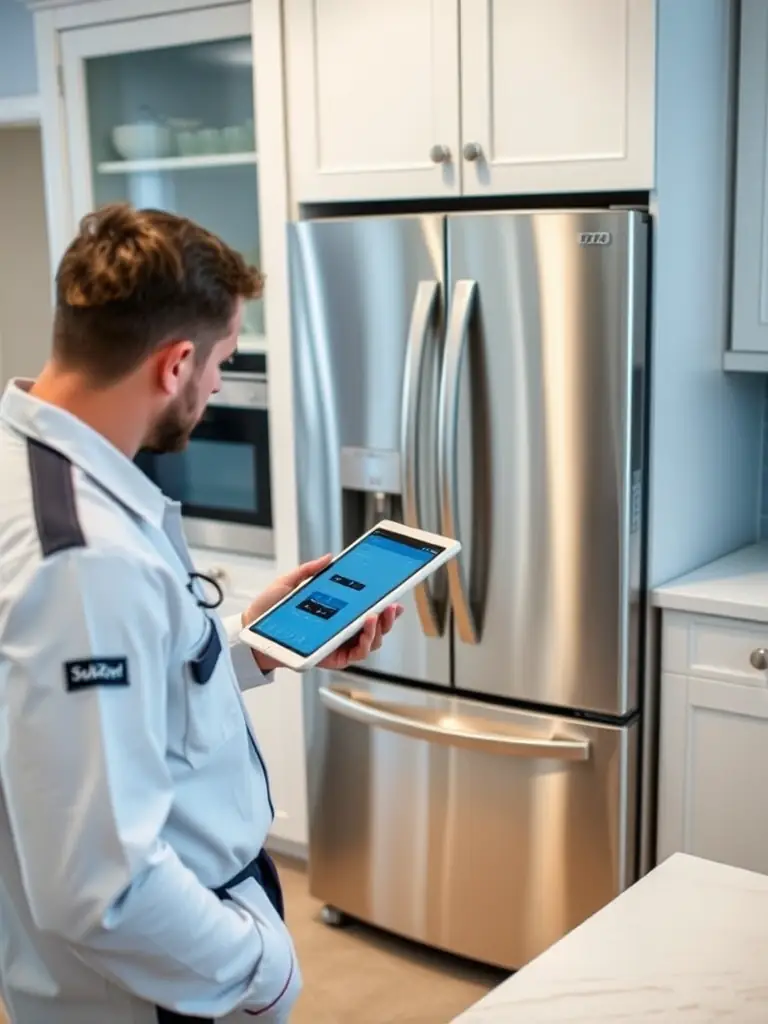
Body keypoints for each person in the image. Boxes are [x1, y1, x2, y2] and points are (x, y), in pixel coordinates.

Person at [0, 203, 402, 1023]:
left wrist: (250, 646)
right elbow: (104, 889)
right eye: (223, 358)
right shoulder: (84, 561)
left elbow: (124, 688)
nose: (220, 382)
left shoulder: (36, 466)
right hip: (157, 990)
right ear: (176, 363)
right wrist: (264, 969)